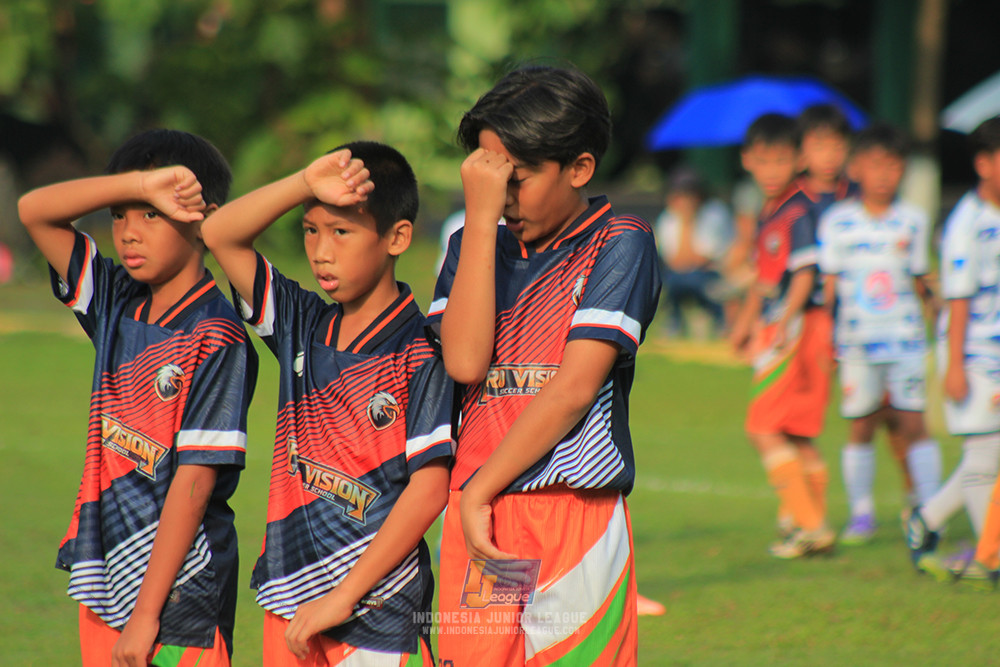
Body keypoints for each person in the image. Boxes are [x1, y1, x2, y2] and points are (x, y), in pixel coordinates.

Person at [430, 64, 660, 666]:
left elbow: (573, 389)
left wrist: (479, 490)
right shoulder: (472, 245)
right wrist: (479, 224)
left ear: (579, 168)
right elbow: (463, 362)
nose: (501, 197)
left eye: (518, 178)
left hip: (568, 515)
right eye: (488, 176)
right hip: (486, 520)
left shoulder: (620, 241)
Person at [201, 141, 454, 664]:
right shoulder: (301, 323)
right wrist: (302, 183)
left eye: (341, 231)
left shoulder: (422, 350)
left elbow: (430, 490)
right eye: (310, 230)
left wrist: (343, 598)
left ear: (397, 237)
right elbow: (220, 233)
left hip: (380, 617)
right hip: (289, 603)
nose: (321, 251)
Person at [18, 129, 258, 666]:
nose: (128, 233)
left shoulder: (217, 335)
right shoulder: (115, 301)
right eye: (121, 214)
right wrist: (139, 184)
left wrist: (148, 613)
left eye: (151, 215)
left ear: (205, 222)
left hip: (179, 596)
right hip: (105, 579)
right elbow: (35, 210)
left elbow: (195, 481)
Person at [799, 104, 931, 542]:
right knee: (861, 424)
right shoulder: (839, 222)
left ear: (903, 170)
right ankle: (861, 513)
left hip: (906, 340)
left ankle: (926, 510)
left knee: (913, 423)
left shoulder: (913, 221)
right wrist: (830, 342)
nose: (883, 174)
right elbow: (830, 288)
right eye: (874, 164)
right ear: (857, 168)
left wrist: (939, 323)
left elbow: (921, 281)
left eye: (892, 165)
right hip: (856, 343)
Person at [729, 113, 836, 559]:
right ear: (747, 160)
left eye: (781, 160)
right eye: (764, 160)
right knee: (795, 431)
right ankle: (802, 522)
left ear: (799, 160)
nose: (772, 169)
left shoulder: (798, 212)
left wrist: (781, 325)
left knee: (763, 427)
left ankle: (811, 525)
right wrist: (744, 323)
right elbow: (763, 277)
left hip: (798, 328)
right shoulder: (769, 213)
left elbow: (804, 275)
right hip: (790, 328)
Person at [907, 116, 1000, 577]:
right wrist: (957, 367)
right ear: (983, 163)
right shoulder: (968, 224)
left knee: (990, 452)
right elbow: (958, 301)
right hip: (974, 351)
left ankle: (927, 519)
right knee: (986, 451)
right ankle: (989, 559)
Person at [655, 166, 733, 338]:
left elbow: (703, 259)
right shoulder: (668, 219)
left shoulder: (715, 213)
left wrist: (689, 221)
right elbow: (675, 260)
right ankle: (675, 322)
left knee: (692, 279)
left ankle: (717, 319)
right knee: (675, 280)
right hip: (682, 275)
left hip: (713, 273)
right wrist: (685, 222)